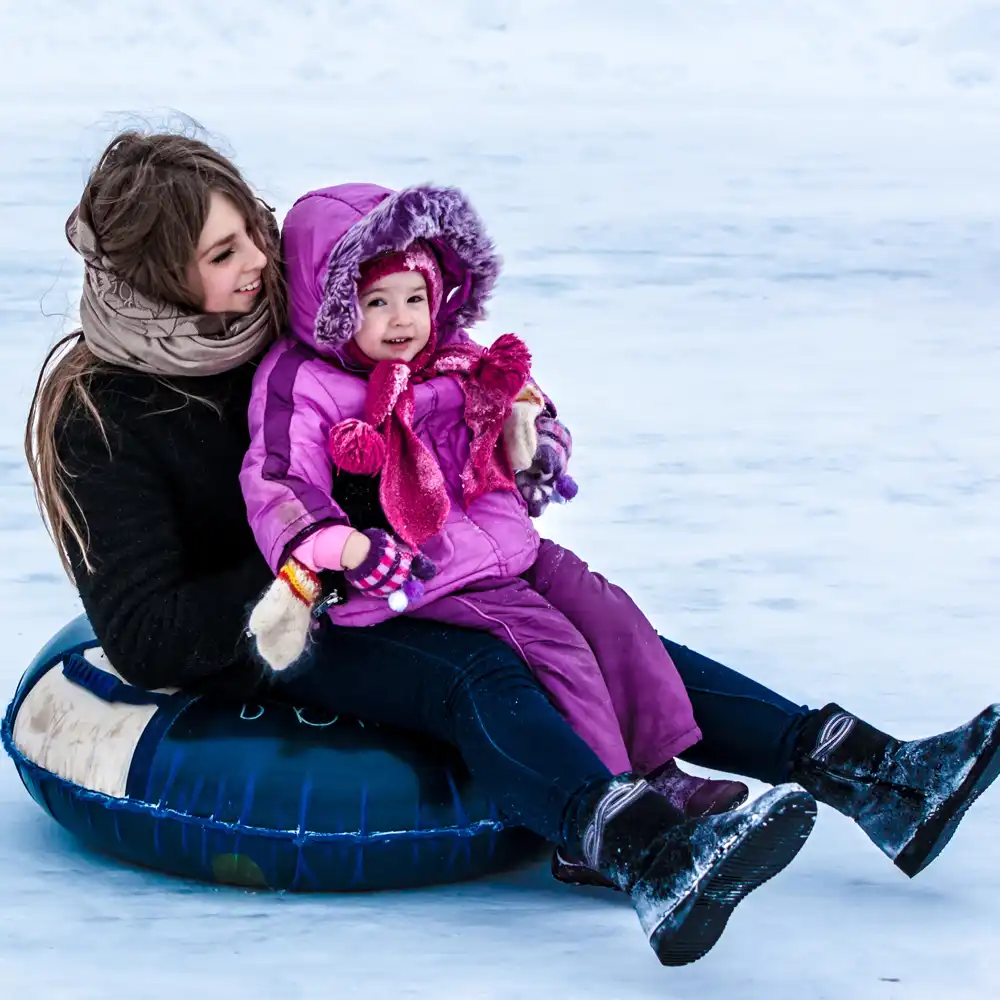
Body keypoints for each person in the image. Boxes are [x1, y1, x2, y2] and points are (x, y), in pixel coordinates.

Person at [24, 130, 999, 968]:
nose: (258, 261)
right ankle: (647, 854)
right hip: (281, 622)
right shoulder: (107, 417)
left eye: (250, 229)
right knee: (480, 672)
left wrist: (475, 444)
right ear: (160, 275)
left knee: (602, 628)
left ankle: (872, 774)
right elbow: (149, 631)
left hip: (404, 565)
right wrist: (328, 558)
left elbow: (406, 368)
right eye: (225, 250)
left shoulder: (280, 316)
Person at [239, 185, 749, 823]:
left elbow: (530, 408)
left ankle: (661, 771)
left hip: (507, 549)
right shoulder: (304, 382)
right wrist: (343, 546)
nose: (402, 321)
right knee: (552, 645)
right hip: (422, 577)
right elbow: (280, 481)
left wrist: (541, 448)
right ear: (333, 303)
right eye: (376, 303)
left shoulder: (453, 358)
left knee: (607, 612)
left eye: (416, 299)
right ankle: (612, 811)